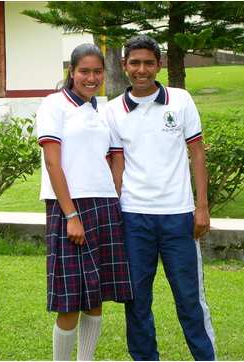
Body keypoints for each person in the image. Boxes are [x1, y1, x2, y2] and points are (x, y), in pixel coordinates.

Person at [105, 35, 216, 361]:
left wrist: (202, 207)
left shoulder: (180, 101)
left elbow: (197, 154)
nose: (142, 70)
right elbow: (117, 165)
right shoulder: (113, 111)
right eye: (135, 63)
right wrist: (114, 211)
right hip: (133, 218)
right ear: (125, 66)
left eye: (148, 63)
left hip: (179, 217)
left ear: (160, 65)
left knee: (190, 299)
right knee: (136, 301)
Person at [36, 43, 133, 361]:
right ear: (71, 72)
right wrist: (71, 214)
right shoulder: (54, 105)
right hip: (70, 207)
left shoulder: (101, 110)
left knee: (96, 295)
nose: (91, 78)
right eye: (84, 71)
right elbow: (53, 164)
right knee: (70, 301)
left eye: (97, 71)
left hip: (104, 207)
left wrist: (116, 196)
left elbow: (112, 158)